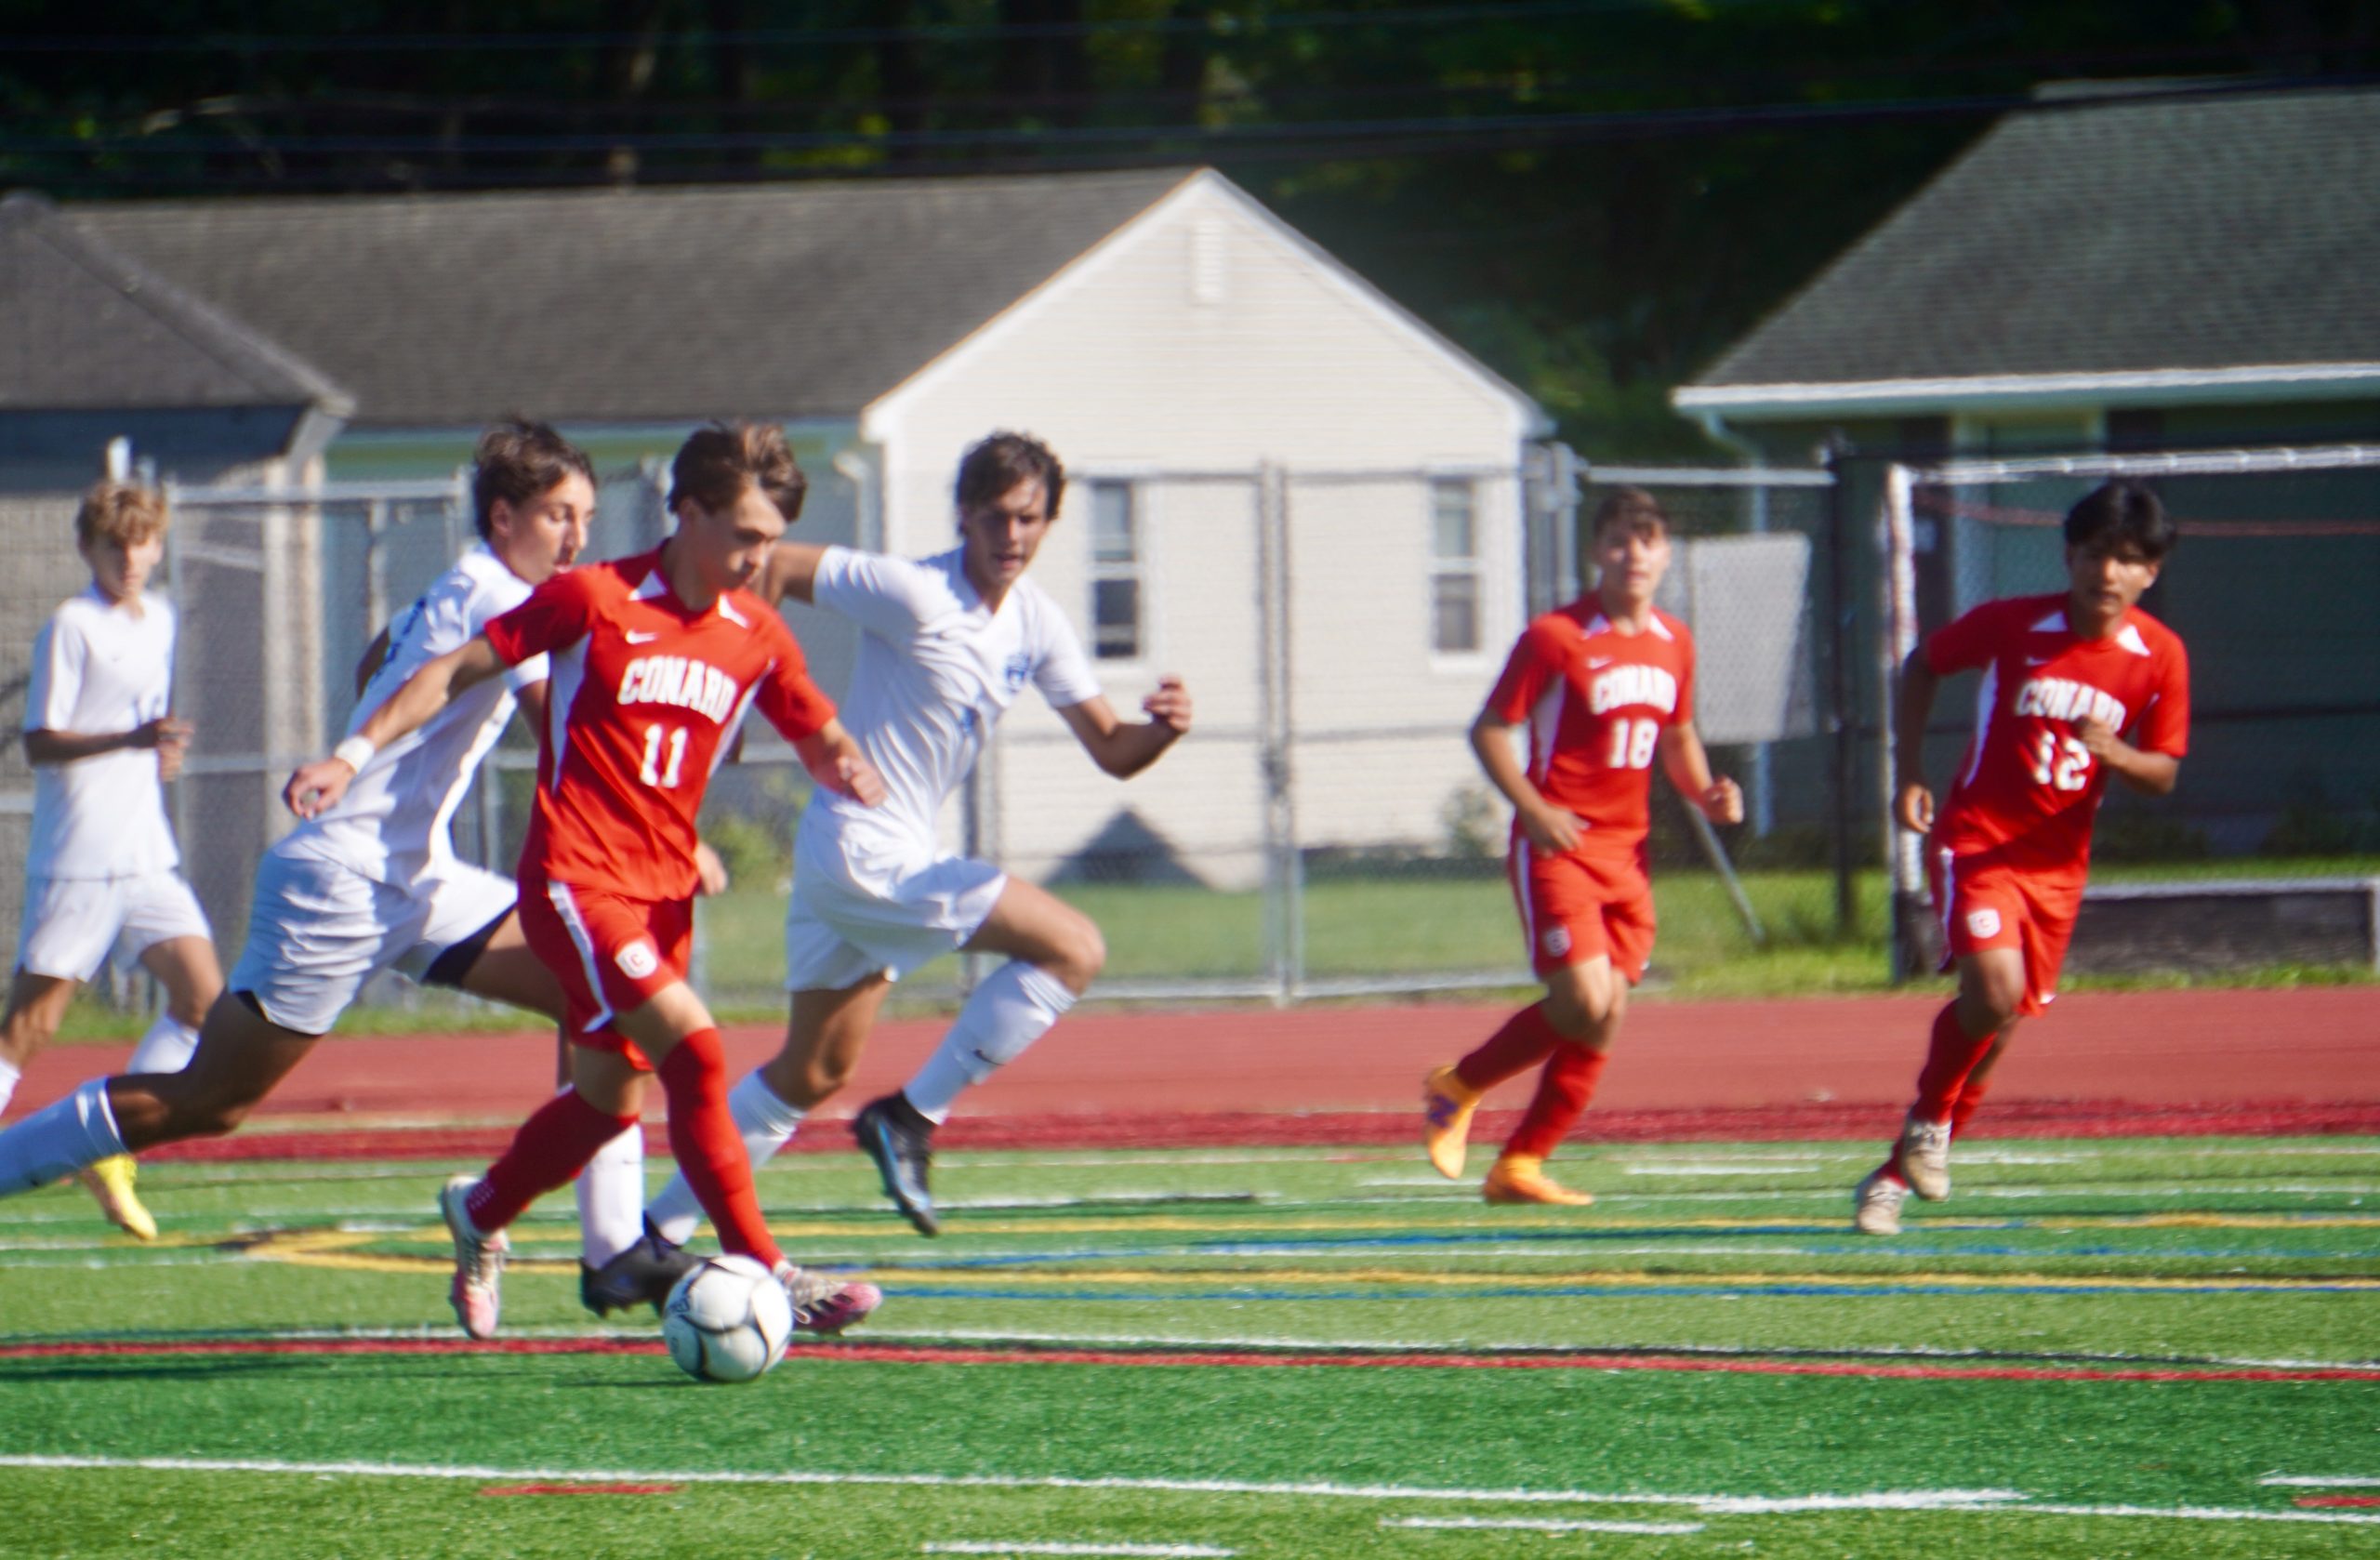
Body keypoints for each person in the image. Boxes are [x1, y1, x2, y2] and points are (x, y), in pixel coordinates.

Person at [284, 421, 888, 1339]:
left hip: (660, 899)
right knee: (698, 1051)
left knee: (607, 1104)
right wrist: (350, 753)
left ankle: (481, 1210)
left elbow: (817, 731)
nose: (759, 557)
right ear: (687, 511)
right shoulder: (593, 597)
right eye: (744, 535)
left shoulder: (755, 632)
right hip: (574, 881)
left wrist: (847, 767)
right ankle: (770, 1269)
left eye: (771, 540)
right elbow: (454, 669)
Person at [0, 425, 635, 1266]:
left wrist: (376, 759)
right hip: (342, 883)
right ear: (505, 517)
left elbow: (381, 657)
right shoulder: (500, 596)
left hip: (415, 877)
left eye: (586, 517)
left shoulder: (461, 582)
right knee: (211, 1100)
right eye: (560, 516)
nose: (579, 538)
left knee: (596, 988)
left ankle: (610, 1252)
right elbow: (554, 724)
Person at [640, 430, 1192, 1243]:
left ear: (1049, 522)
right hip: (864, 852)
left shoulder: (1035, 622)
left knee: (811, 1073)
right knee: (1074, 948)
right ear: (963, 515)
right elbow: (776, 566)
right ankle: (911, 1116)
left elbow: (1113, 749)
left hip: (865, 857)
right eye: (996, 517)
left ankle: (653, 1234)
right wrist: (731, 683)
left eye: (1029, 519)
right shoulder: (915, 591)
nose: (1012, 536)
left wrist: (1162, 731)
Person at [1853, 480, 2188, 1236]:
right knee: (1994, 991)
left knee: (1998, 1027)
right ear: (2069, 556)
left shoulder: (2160, 656)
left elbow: (2164, 772)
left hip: (2058, 868)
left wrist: (2119, 755)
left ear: (2150, 572)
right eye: (2095, 553)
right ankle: (1929, 1123)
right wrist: (1909, 774)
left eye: (2127, 559)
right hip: (1978, 840)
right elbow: (1923, 664)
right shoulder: (2014, 623)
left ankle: (1892, 1177)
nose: (2107, 572)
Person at [1421, 487, 1742, 1206]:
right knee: (1582, 1001)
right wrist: (1533, 809)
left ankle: (1520, 1166)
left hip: (1628, 856)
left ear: (1666, 553)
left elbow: (1678, 736)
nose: (1634, 554)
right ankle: (1460, 1085)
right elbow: (1490, 729)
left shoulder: (1675, 642)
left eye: (1648, 539)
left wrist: (1706, 793)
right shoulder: (1556, 637)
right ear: (1597, 550)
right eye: (1619, 540)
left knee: (1607, 1013)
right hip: (1559, 848)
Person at [0, 480, 222, 1239]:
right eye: (114, 545)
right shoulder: (72, 625)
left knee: (203, 1002)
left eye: (142, 542)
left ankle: (112, 1149)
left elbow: (143, 725)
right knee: (30, 1027)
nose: (130, 558)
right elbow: (39, 740)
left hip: (146, 852)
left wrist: (156, 753)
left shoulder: (160, 616)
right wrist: (129, 740)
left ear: (158, 546)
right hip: (80, 856)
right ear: (87, 549)